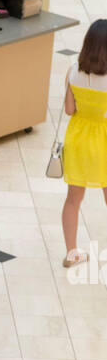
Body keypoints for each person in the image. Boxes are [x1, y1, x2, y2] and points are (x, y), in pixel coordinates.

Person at [60, 19, 107, 266]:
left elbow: (69, 110)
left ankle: (71, 253)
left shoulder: (73, 71)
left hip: (78, 138)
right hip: (104, 140)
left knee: (73, 200)